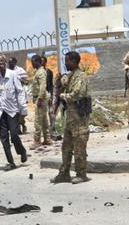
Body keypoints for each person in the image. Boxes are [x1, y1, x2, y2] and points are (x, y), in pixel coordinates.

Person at [51, 52, 91, 184]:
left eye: (67, 61)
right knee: (66, 147)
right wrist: (60, 82)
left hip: (79, 118)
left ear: (74, 61)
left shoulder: (81, 76)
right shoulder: (71, 75)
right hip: (70, 118)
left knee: (79, 147)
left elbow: (76, 94)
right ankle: (64, 173)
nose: (65, 63)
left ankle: (81, 174)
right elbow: (63, 83)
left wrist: (61, 95)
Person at [0, 55, 28, 170]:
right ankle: (11, 162)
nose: (1, 63)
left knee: (13, 134)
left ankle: (22, 151)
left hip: (12, 111)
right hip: (1, 111)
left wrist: (23, 109)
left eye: (3, 61)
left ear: (5, 62)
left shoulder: (12, 75)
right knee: (3, 138)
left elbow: (20, 91)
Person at [29, 55, 51, 149]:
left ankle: (37, 141)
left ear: (37, 62)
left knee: (38, 120)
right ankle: (47, 139)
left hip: (41, 98)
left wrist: (40, 99)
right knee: (44, 120)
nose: (32, 64)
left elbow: (43, 86)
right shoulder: (38, 71)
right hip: (42, 98)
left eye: (33, 62)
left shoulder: (41, 72)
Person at [8, 57, 28, 134]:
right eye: (9, 62)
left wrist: (18, 78)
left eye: (11, 62)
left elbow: (26, 80)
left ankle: (22, 123)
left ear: (15, 62)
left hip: (20, 93)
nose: (10, 64)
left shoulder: (20, 70)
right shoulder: (7, 71)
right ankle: (17, 128)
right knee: (14, 111)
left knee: (22, 110)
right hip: (11, 94)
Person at [42, 56, 56, 139]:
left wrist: (51, 94)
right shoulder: (38, 72)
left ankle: (53, 128)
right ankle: (45, 131)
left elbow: (50, 84)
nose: (42, 63)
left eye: (43, 61)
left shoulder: (49, 72)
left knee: (51, 112)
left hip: (48, 94)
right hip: (41, 96)